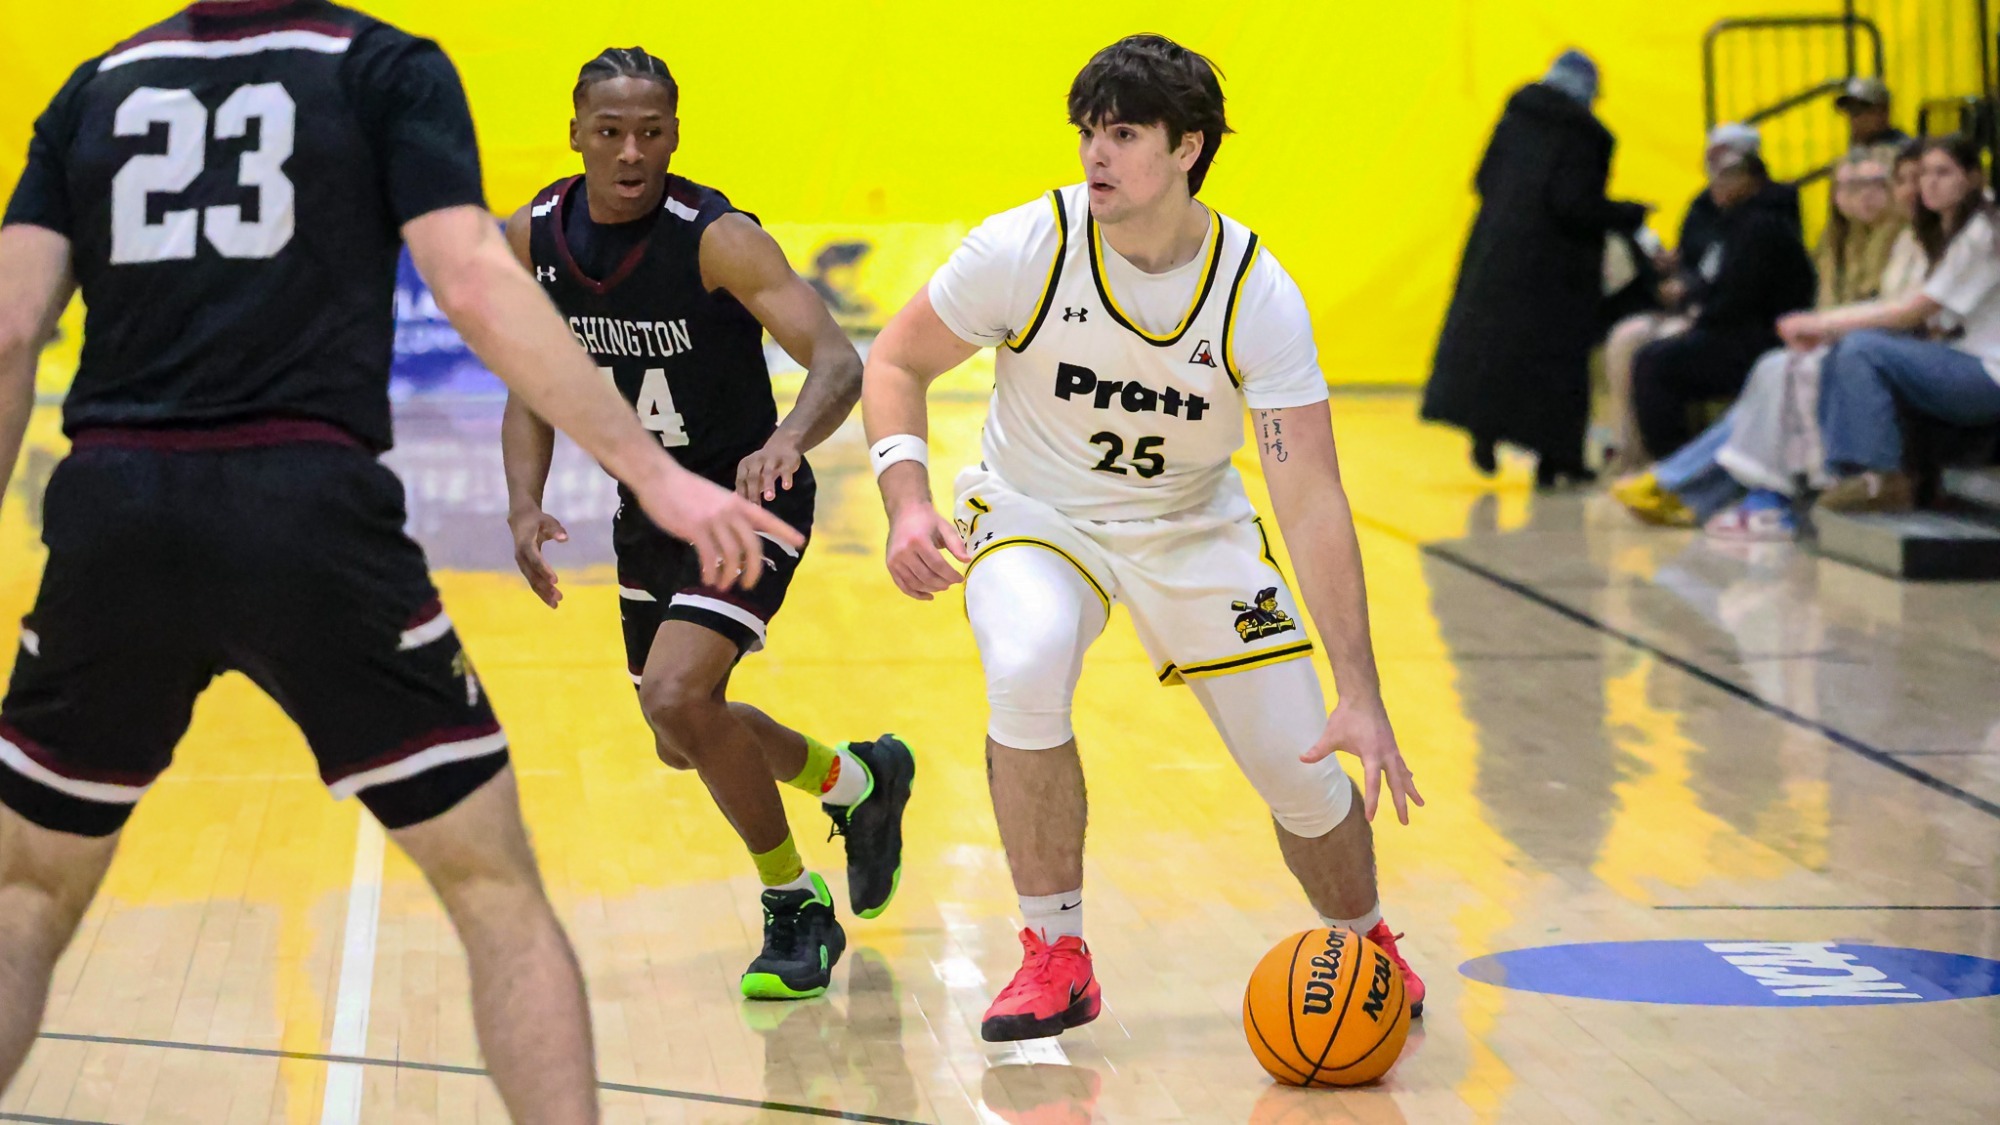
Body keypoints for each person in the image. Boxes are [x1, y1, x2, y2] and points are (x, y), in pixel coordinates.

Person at [0, 2, 804, 1119]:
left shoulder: (91, 86)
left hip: (114, 509)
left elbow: (10, 330)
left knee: (27, 890)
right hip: (306, 509)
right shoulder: (379, 64)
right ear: (578, 132)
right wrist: (654, 475)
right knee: (493, 891)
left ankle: (830, 801)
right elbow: (476, 285)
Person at [861, 34, 1426, 1043]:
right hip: (1038, 513)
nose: (1095, 156)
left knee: (1302, 768)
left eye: (1122, 134)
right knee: (1025, 662)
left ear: (1187, 148)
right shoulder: (1023, 246)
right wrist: (906, 500)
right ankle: (1053, 953)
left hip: (1188, 525)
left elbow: (1309, 498)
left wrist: (1361, 692)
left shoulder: (1255, 291)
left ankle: (1365, 942)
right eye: (1087, 133)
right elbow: (895, 363)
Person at [500, 48, 915, 1002]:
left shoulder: (715, 237)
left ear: (675, 136)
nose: (631, 151)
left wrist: (787, 440)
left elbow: (837, 361)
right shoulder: (531, 235)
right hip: (648, 510)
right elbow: (529, 382)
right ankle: (857, 782)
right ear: (576, 135)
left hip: (744, 497)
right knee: (680, 731)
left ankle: (795, 904)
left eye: (651, 131)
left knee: (681, 696)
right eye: (610, 132)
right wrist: (524, 501)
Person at [1615, 147, 1921, 536]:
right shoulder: (1833, 244)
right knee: (1768, 371)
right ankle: (1681, 480)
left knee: (1774, 372)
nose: (1863, 195)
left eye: (1876, 183)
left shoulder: (1903, 239)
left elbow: (1894, 312)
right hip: (1829, 343)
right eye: (1848, 185)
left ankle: (1692, 484)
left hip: (1858, 349)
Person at [1424, 49, 1650, 486]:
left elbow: (1482, 180)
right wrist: (1627, 214)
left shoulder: (1513, 119)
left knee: (1495, 352)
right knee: (1555, 364)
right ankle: (1556, 459)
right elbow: (1572, 204)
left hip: (1496, 254)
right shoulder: (1586, 135)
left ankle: (1485, 430)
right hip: (1554, 270)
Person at [1787, 135, 2000, 511]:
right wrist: (1829, 327)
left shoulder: (1984, 230)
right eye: (1925, 174)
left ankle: (1883, 476)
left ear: (1972, 177)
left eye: (1944, 173)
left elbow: (1911, 311)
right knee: (1845, 350)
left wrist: (1821, 323)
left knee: (1862, 349)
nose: (1929, 183)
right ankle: (1846, 474)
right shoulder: (1948, 231)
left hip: (1987, 373)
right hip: (1960, 362)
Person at [1627, 147, 1817, 461]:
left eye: (1729, 176)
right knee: (1647, 351)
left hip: (1761, 338)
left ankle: (1672, 464)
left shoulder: (1761, 226)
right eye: (1714, 177)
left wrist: (1696, 319)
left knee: (1654, 363)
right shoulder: (1731, 222)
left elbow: (1739, 297)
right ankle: (1651, 458)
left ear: (1754, 180)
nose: (1718, 185)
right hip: (1735, 326)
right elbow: (1715, 283)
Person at [1836, 77, 1912, 155]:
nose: (1854, 118)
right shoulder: (1858, 148)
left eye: (1860, 109)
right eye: (1850, 110)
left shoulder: (1902, 149)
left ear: (1882, 111)